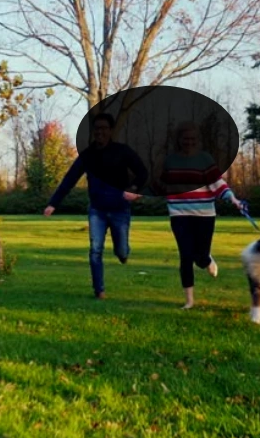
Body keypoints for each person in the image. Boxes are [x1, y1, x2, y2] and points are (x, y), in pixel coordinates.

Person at [43, 112, 149, 300]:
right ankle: (99, 290)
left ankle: (122, 254)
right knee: (95, 249)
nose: (100, 132)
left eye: (104, 128)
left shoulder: (122, 151)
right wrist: (53, 203)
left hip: (119, 209)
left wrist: (134, 188)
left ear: (110, 131)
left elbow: (142, 172)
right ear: (93, 131)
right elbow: (69, 179)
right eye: (97, 128)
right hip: (97, 210)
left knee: (122, 250)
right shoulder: (87, 156)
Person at [151, 121, 244, 309]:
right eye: (185, 139)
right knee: (185, 255)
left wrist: (232, 199)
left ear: (198, 140)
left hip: (204, 215)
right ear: (179, 140)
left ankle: (206, 259)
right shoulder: (170, 161)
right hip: (179, 214)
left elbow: (218, 184)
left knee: (200, 258)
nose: (189, 142)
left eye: (193, 139)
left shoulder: (204, 159)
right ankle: (189, 301)